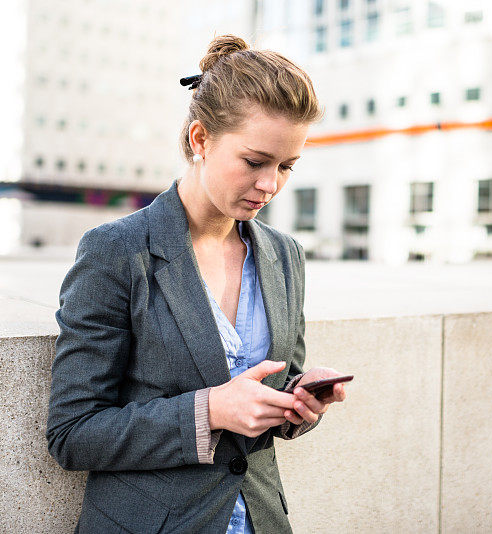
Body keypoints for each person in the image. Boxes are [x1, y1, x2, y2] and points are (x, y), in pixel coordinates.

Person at [45, 34, 347, 533]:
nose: (270, 184)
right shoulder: (117, 251)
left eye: (287, 166)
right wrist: (208, 411)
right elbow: (73, 433)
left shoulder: (284, 255)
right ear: (200, 139)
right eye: (254, 162)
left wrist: (298, 403)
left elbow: (275, 394)